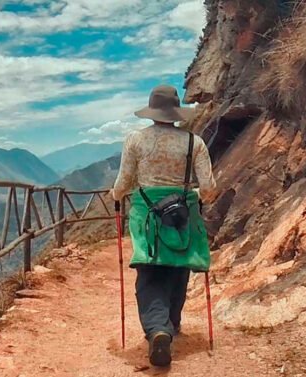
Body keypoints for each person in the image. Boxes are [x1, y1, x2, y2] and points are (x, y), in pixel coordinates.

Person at [111, 84, 216, 367]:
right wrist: (192, 195)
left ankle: (159, 328)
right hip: (182, 213)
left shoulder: (135, 141)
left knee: (151, 271)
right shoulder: (195, 143)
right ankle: (171, 323)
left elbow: (123, 183)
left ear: (152, 112)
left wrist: (116, 196)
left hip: (147, 215)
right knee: (178, 266)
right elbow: (208, 188)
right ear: (175, 112)